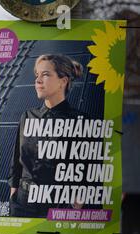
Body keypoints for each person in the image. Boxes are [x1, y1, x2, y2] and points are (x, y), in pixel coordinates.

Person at [8, 54, 94, 218]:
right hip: (23, 202)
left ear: (63, 81)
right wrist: (14, 196)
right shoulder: (27, 116)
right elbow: (16, 162)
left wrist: (77, 204)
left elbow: (89, 168)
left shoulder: (81, 121)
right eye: (37, 75)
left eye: (45, 74)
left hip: (59, 203)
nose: (38, 80)